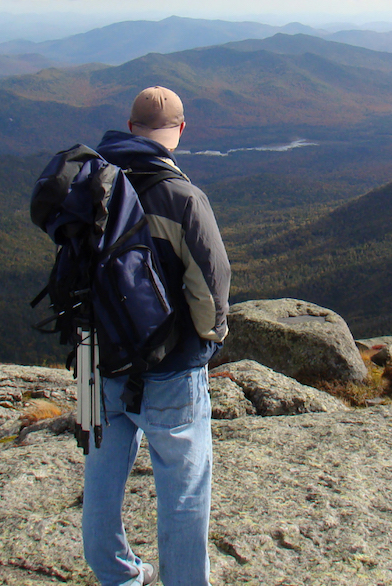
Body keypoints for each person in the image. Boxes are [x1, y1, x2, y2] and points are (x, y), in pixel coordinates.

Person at [83, 86, 231, 586]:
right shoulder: (182, 197)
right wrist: (208, 341)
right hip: (170, 369)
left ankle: (117, 574)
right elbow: (210, 285)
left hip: (98, 361)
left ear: (130, 128)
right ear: (181, 131)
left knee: (100, 472)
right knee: (183, 491)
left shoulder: (92, 184)